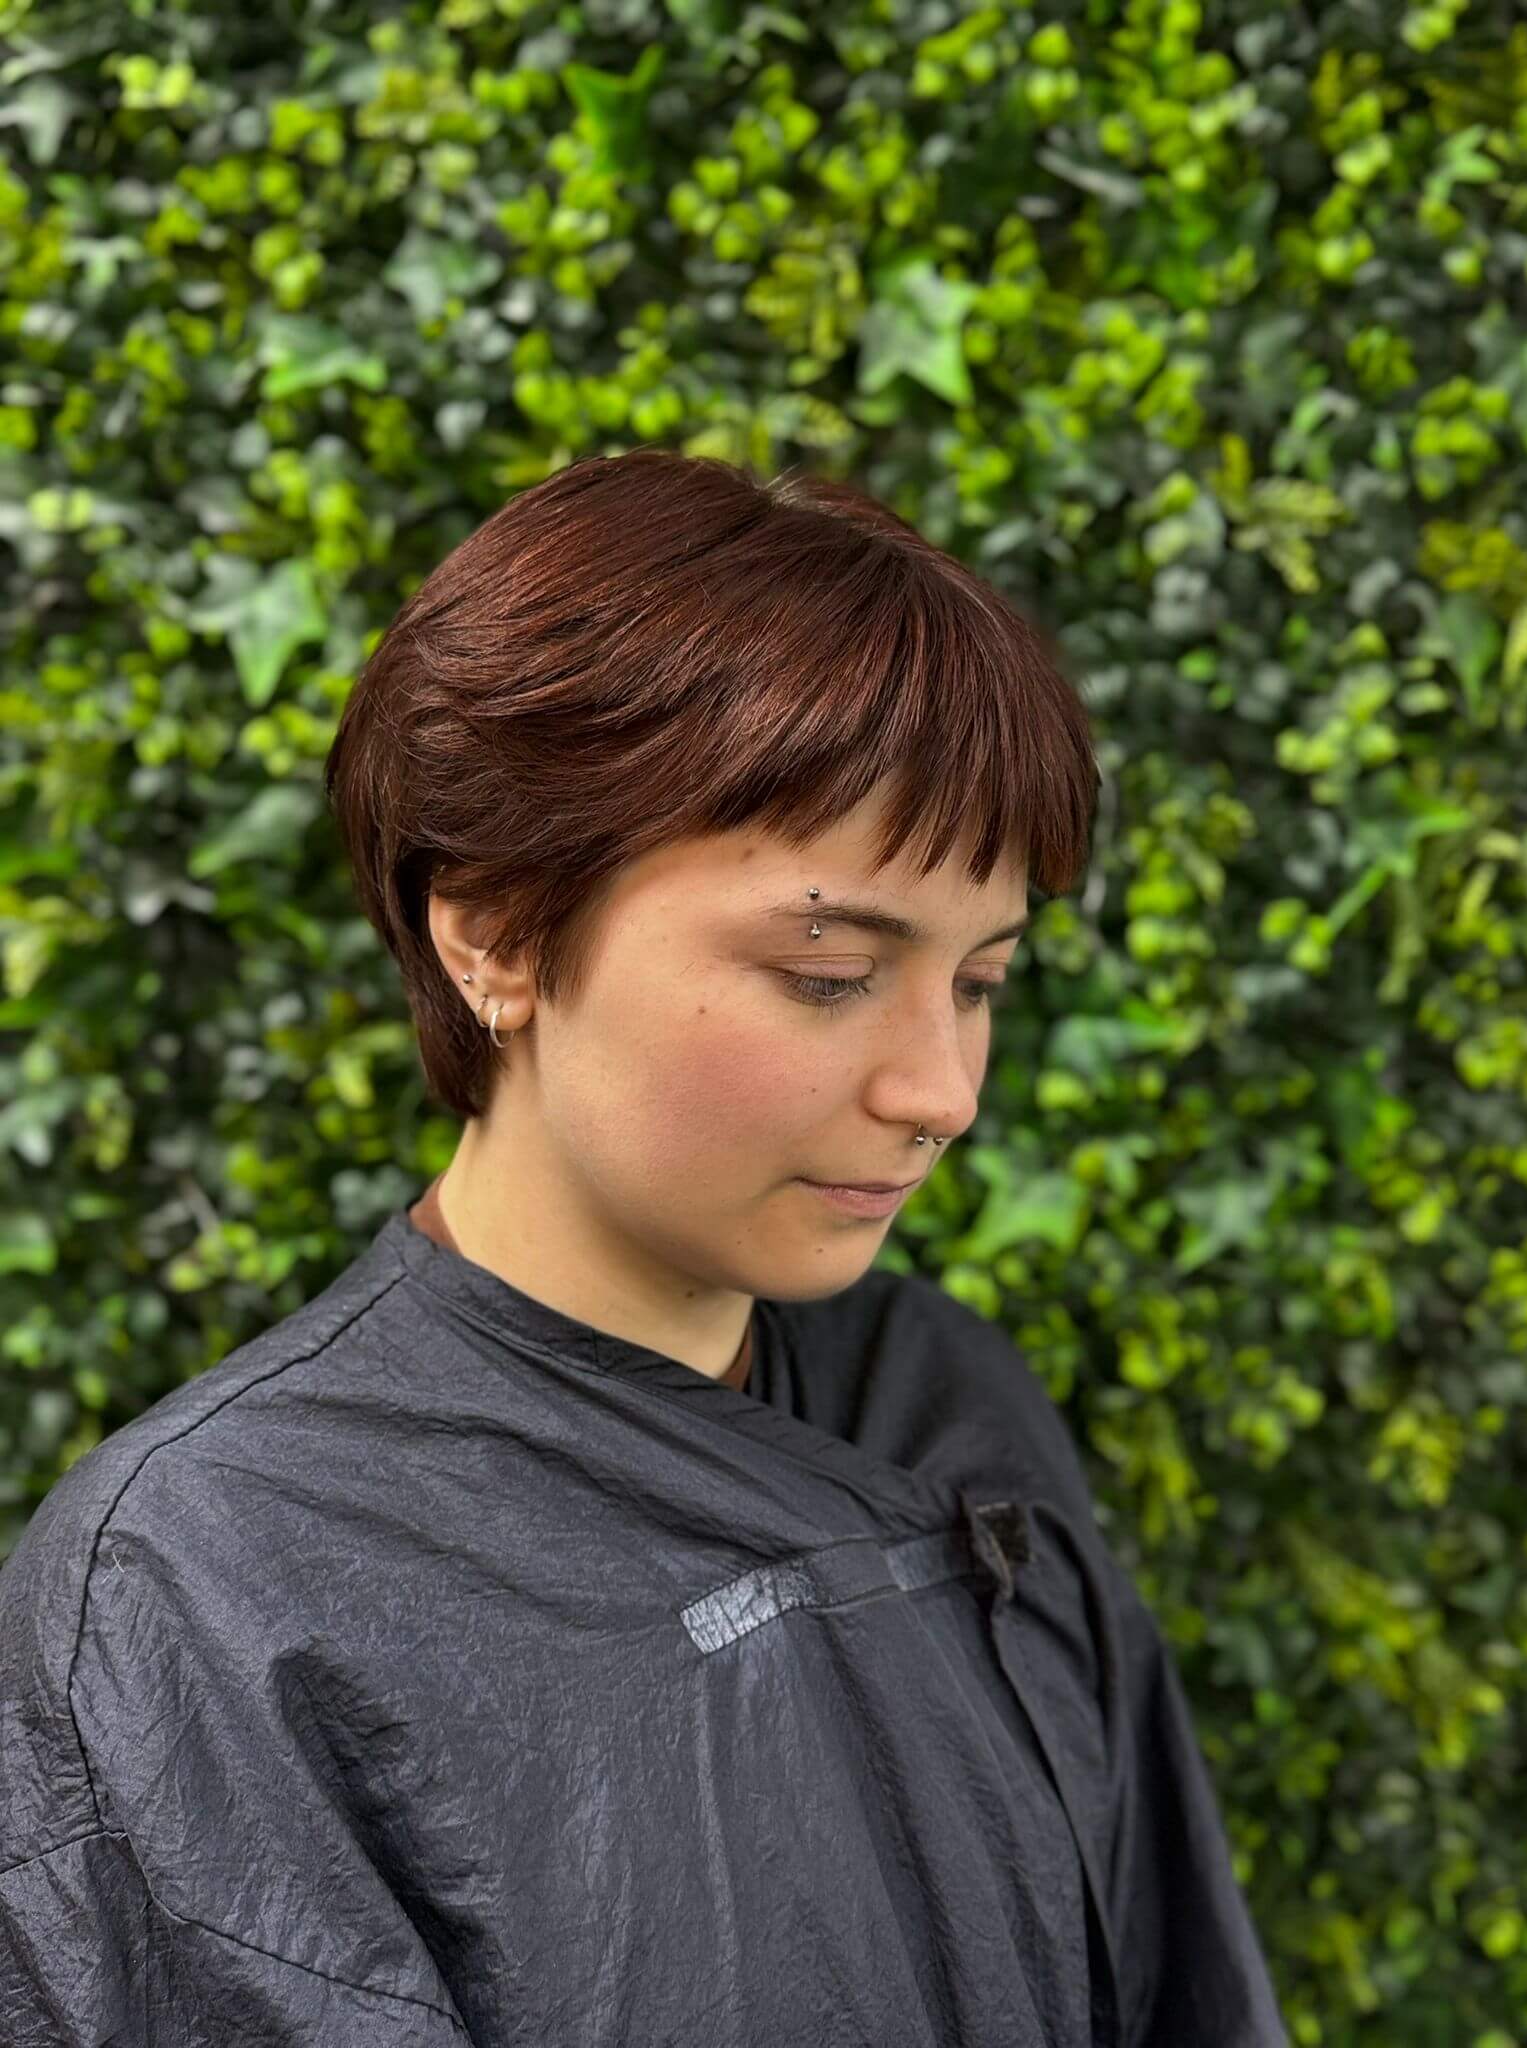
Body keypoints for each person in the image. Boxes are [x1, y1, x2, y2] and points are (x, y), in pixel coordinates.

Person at [0, 450, 1290, 2045]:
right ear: (495, 931)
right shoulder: (206, 1590)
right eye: (829, 974)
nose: (942, 1093)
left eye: (980, 984)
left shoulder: (943, 1401)